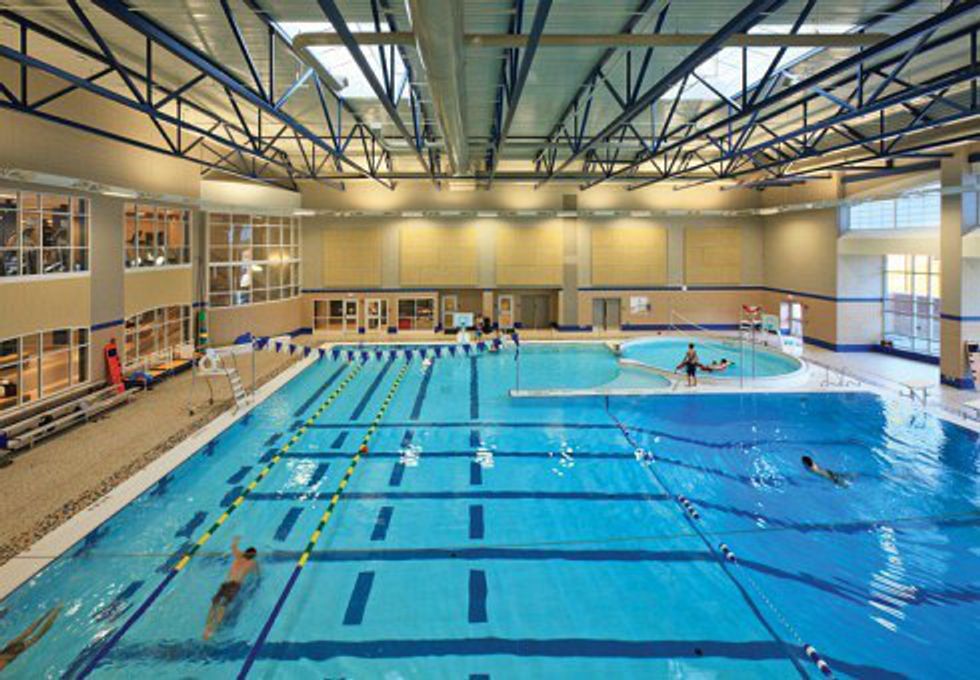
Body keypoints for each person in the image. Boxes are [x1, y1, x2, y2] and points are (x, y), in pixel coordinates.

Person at [204, 537, 258, 640]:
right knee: (223, 606)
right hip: (234, 586)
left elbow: (233, 547)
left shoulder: (238, 556)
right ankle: (213, 630)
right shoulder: (252, 563)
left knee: (215, 604)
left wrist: (235, 540)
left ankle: (207, 627)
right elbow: (257, 574)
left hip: (225, 583)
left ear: (244, 553)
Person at [0, 604, 61, 670]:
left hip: (9, 653)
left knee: (33, 634)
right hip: (9, 653)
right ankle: (52, 612)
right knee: (31, 633)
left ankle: (53, 613)